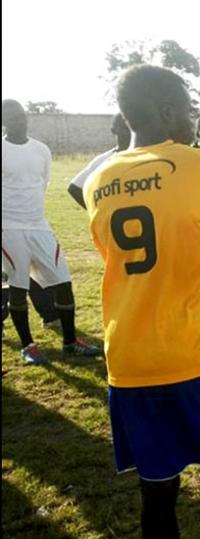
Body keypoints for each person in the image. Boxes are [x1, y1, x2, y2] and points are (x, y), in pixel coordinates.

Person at [83, 64, 200, 538]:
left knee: (157, 495)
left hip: (128, 364)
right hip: (196, 357)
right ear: (166, 112)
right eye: (188, 109)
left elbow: (114, 258)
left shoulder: (96, 180)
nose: (191, 120)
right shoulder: (199, 163)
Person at [2, 98, 100, 365]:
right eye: (10, 117)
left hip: (39, 226)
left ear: (26, 117)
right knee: (18, 287)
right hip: (9, 228)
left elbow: (41, 184)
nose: (17, 121)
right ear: (3, 121)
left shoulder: (41, 150)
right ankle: (28, 346)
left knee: (63, 281)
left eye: (20, 115)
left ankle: (70, 342)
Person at [67, 113, 132, 209]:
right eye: (125, 128)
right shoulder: (104, 160)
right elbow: (74, 188)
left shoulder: (147, 156)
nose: (129, 132)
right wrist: (96, 210)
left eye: (132, 128)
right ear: (113, 130)